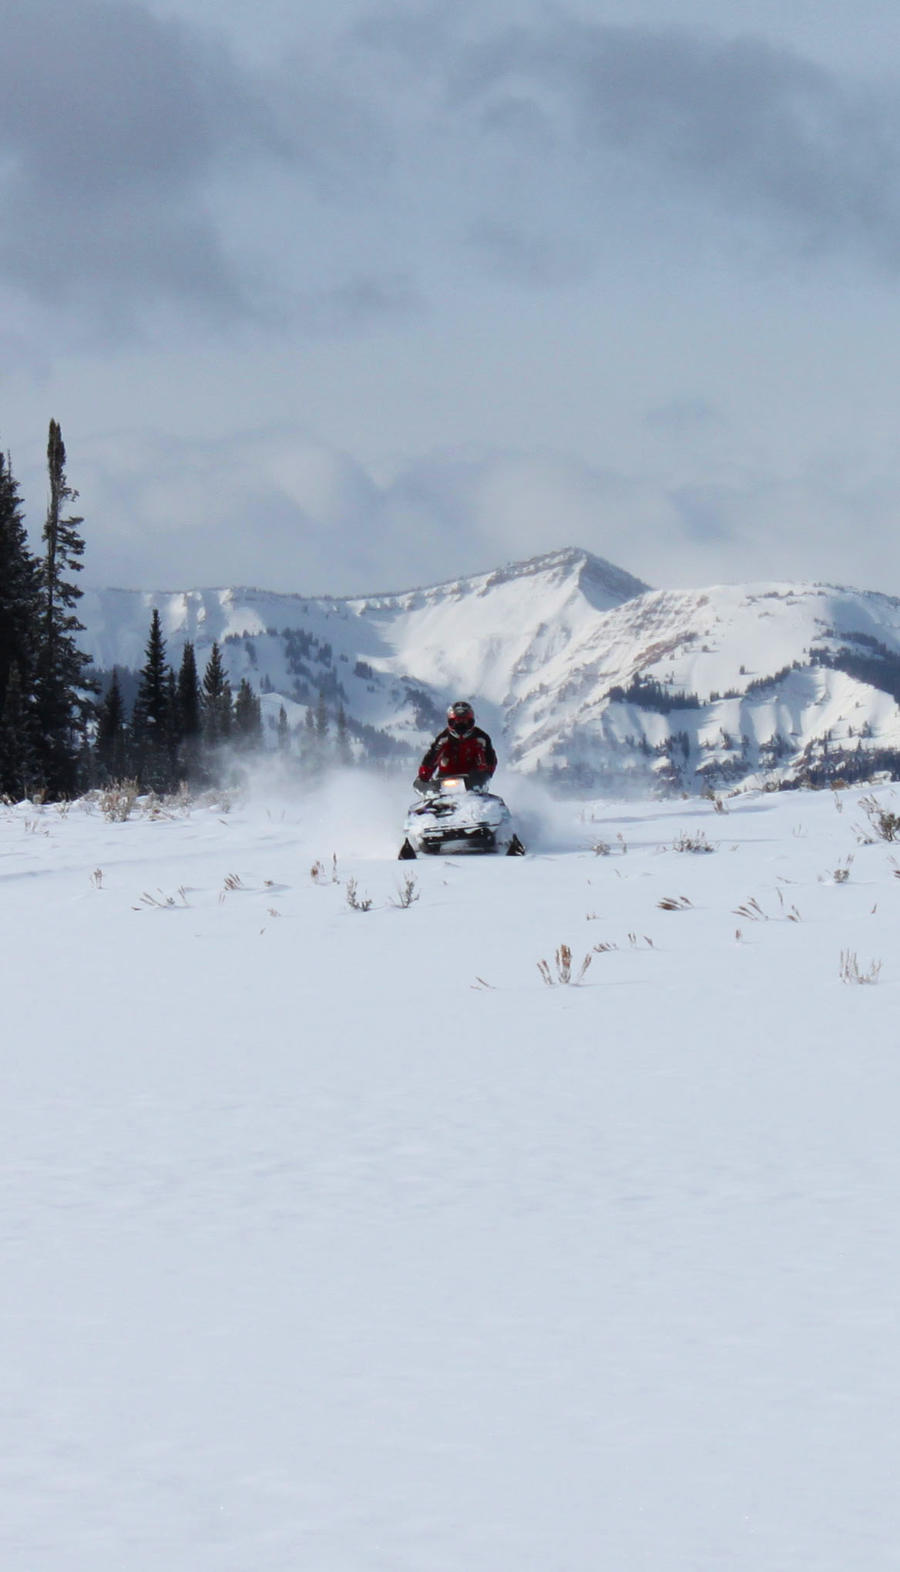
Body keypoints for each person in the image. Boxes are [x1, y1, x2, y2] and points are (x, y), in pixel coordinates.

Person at [415, 701, 497, 791]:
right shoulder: (443, 739)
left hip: (473, 782)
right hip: (444, 780)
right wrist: (423, 778)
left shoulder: (481, 738)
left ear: (471, 722)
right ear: (450, 722)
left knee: (483, 798)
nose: (460, 726)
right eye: (456, 722)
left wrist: (483, 776)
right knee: (432, 794)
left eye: (465, 722)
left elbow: (489, 759)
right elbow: (431, 757)